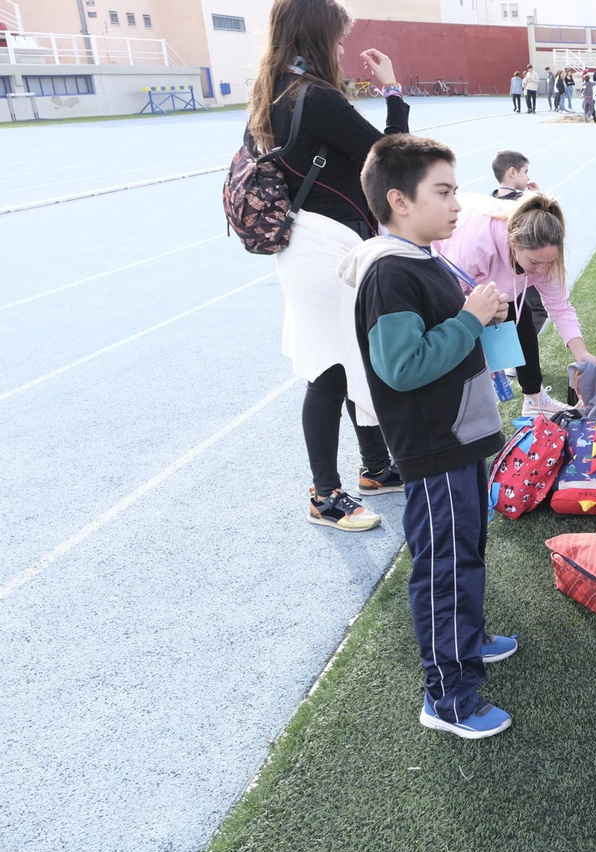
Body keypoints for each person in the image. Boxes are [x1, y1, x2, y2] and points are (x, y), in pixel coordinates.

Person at [347, 134, 518, 739]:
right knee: (444, 565)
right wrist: (470, 318)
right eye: (442, 192)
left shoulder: (424, 258)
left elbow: (449, 330)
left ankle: (468, 640)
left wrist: (480, 315)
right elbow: (403, 366)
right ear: (398, 200)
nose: (455, 204)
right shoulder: (391, 272)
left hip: (461, 435)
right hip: (435, 446)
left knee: (465, 550)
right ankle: (447, 697)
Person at [246, 0, 407, 532]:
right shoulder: (312, 97)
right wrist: (392, 88)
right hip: (323, 247)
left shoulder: (276, 91)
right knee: (330, 371)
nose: (341, 49)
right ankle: (324, 495)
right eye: (337, 40)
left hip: (318, 243)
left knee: (351, 359)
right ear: (316, 36)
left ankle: (377, 468)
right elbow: (393, 156)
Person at [437, 186, 596, 418]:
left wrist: (582, 353)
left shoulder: (543, 257)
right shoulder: (477, 248)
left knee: (521, 314)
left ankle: (534, 400)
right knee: (473, 335)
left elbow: (560, 307)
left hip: (498, 270)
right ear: (514, 243)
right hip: (447, 262)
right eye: (535, 263)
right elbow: (447, 303)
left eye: (549, 261)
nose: (542, 270)